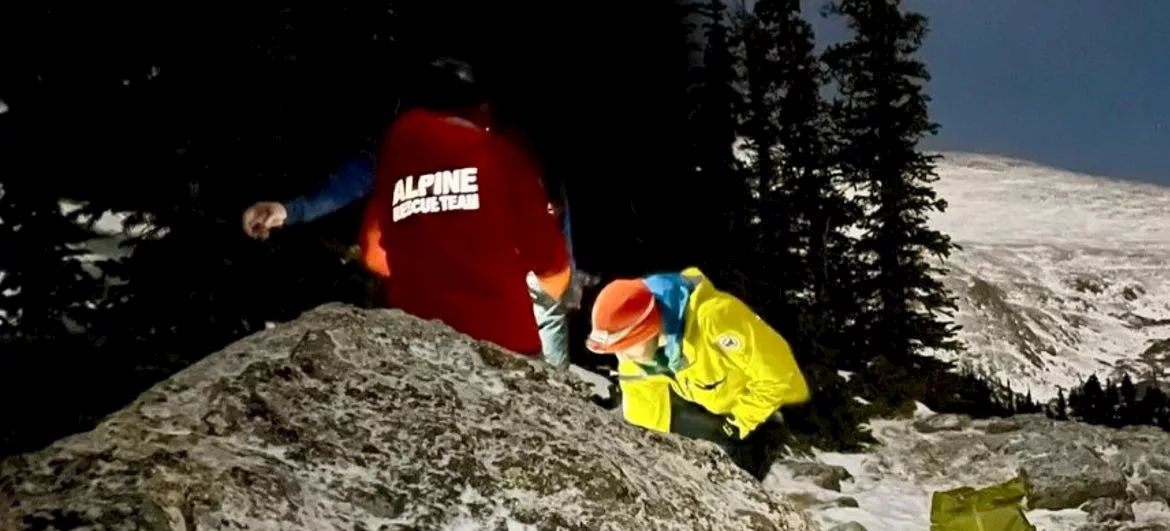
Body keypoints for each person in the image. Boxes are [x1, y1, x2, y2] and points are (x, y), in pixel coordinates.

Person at [240, 58, 585, 364]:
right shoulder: (502, 156)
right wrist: (556, 284)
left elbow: (359, 190)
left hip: (419, 333)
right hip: (503, 333)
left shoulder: (397, 150)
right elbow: (550, 257)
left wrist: (290, 210)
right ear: (482, 108)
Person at [584, 266, 810, 479]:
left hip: (759, 415)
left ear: (649, 329)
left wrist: (739, 421)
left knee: (728, 480)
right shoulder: (636, 357)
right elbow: (643, 421)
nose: (621, 356)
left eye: (626, 345)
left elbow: (779, 376)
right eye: (616, 350)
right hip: (707, 409)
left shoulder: (717, 318)